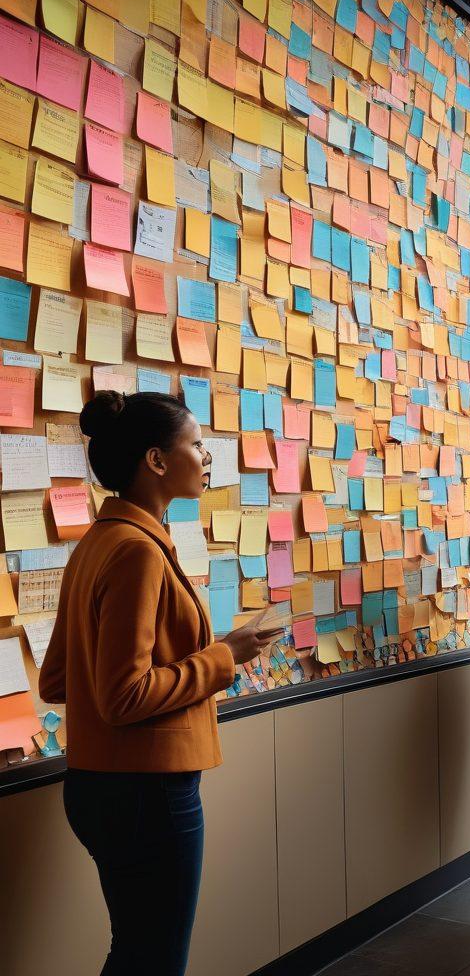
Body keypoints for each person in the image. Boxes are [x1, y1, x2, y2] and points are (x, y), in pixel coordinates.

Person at [39, 391, 282, 976]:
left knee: (137, 952)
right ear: (155, 460)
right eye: (196, 445)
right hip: (145, 791)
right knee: (155, 959)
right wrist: (222, 657)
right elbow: (123, 696)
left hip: (101, 785)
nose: (206, 457)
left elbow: (56, 680)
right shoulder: (136, 552)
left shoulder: (99, 542)